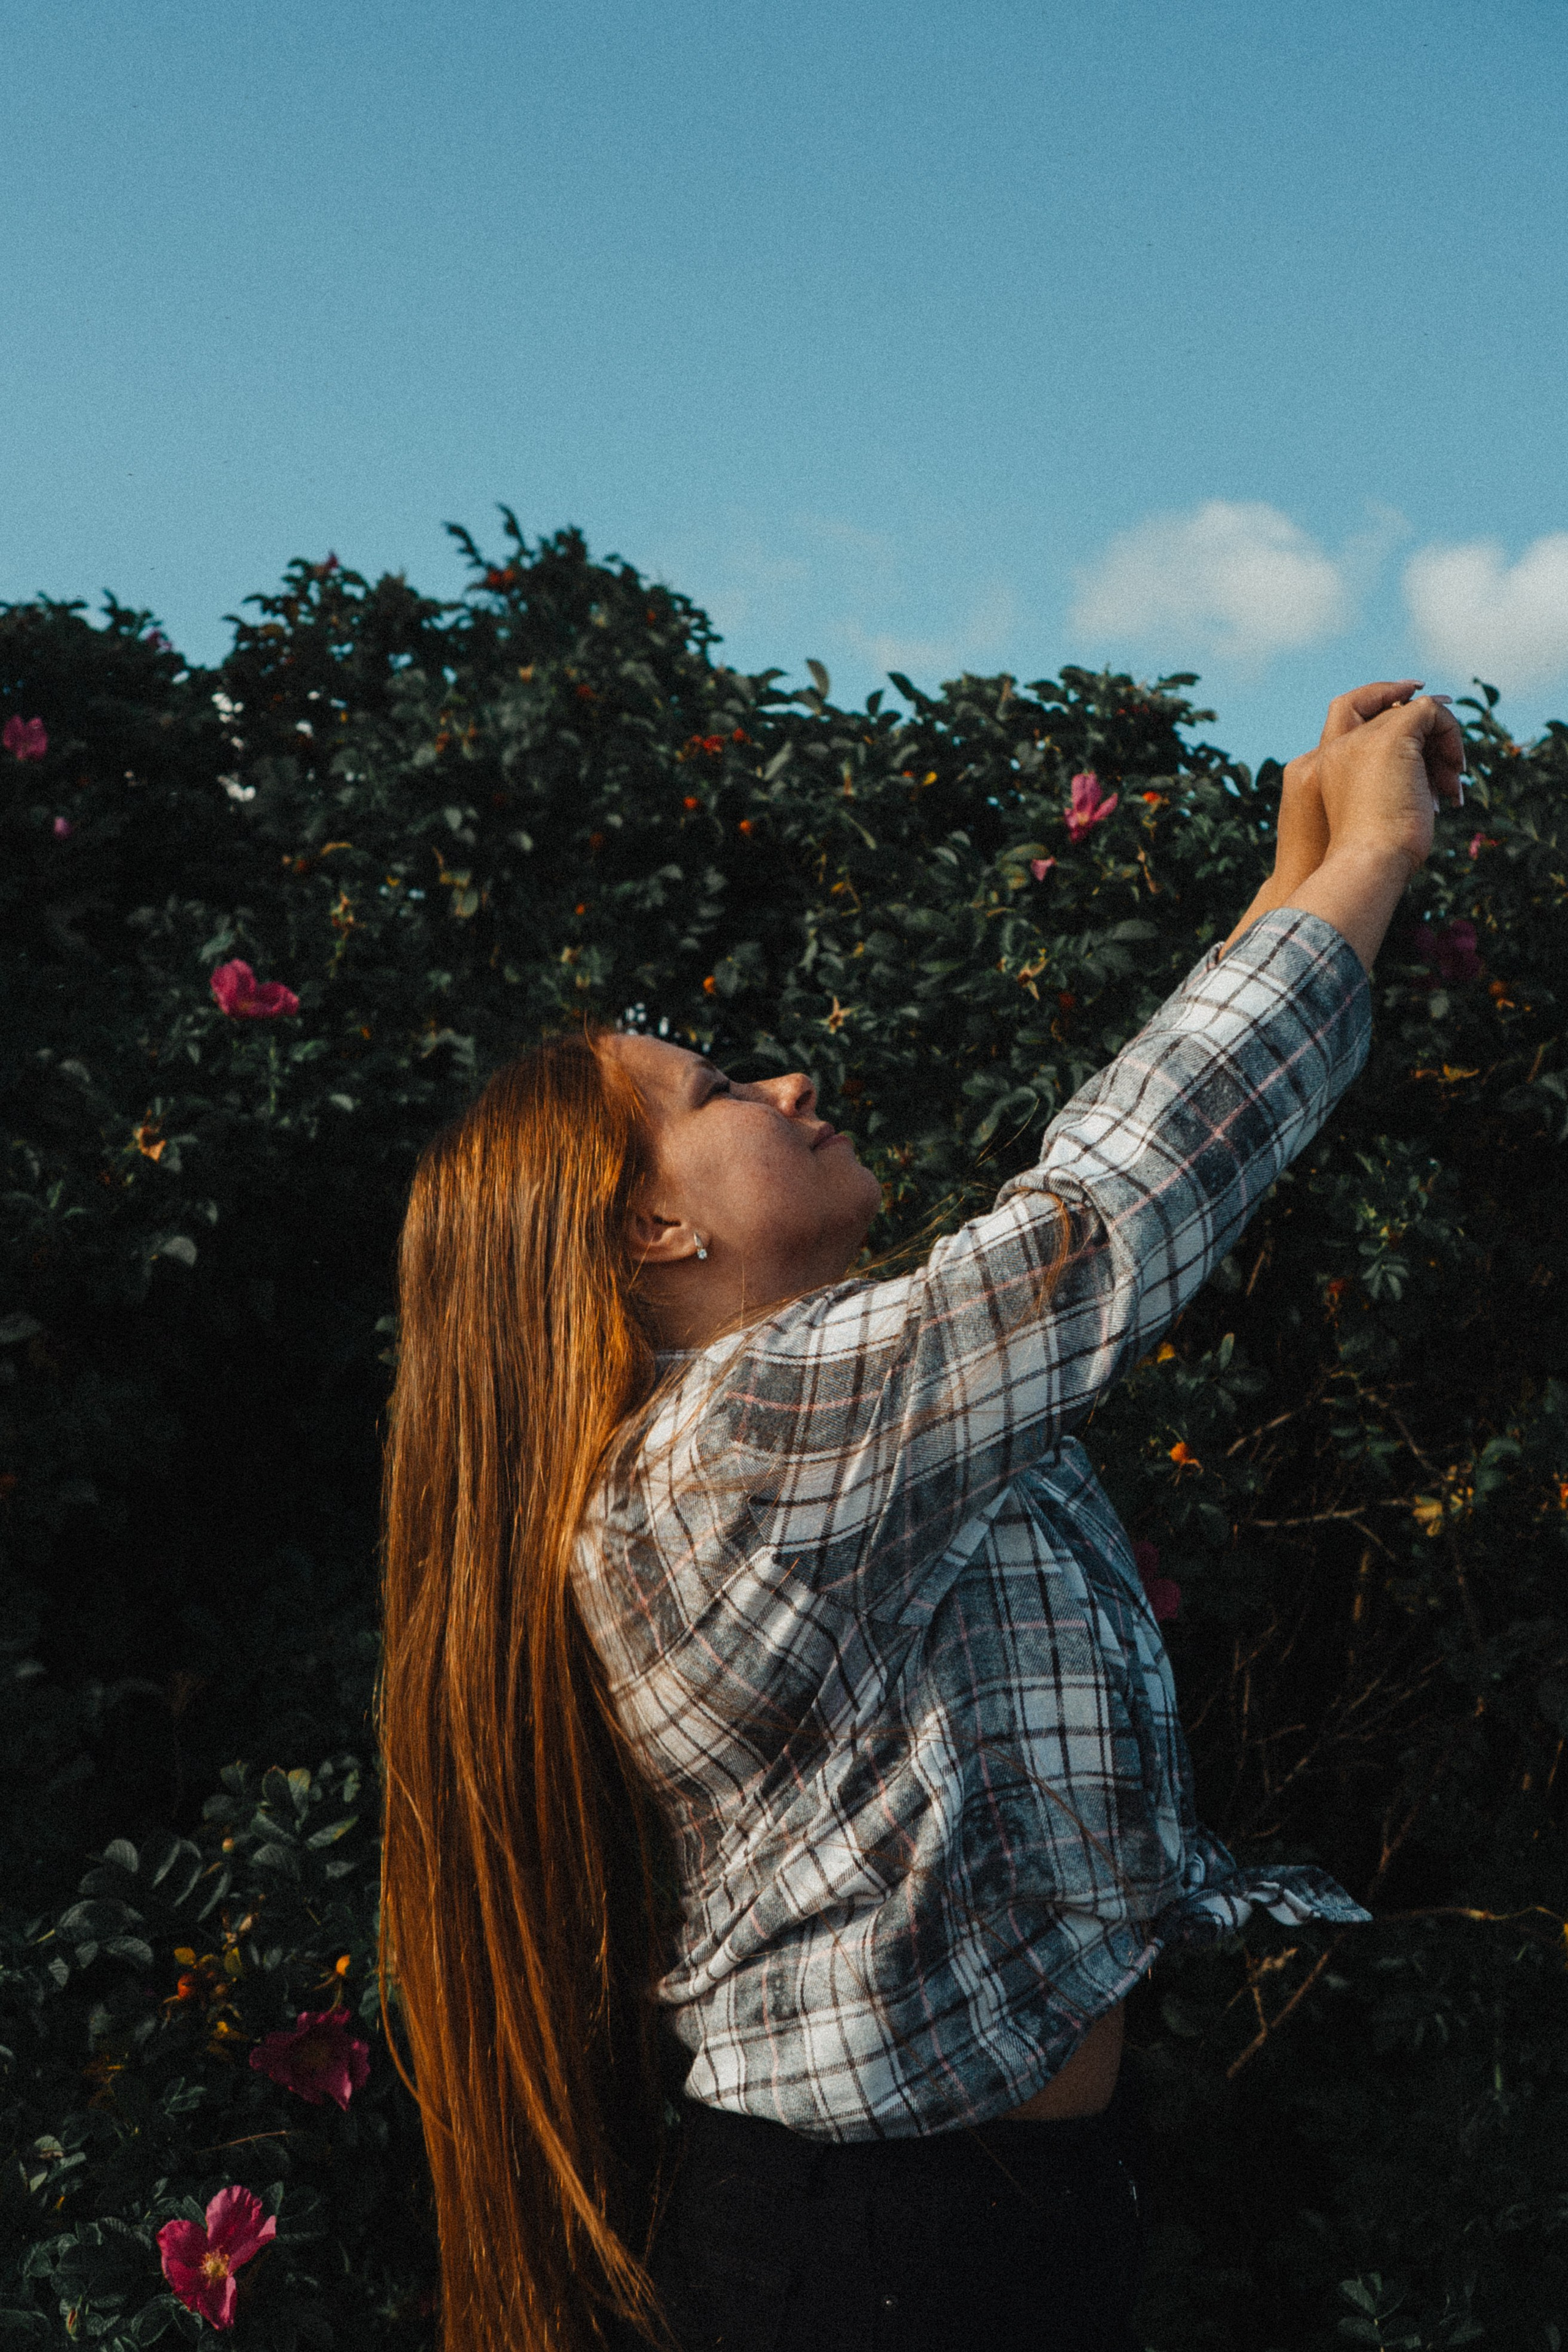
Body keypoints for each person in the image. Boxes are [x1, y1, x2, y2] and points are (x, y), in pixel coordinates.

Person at [378, 682, 1466, 2352]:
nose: (794, 1081)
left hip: (985, 2221)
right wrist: (1377, 857)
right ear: (649, 1232)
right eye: (722, 1087)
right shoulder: (738, 1443)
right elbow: (1109, 1219)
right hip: (880, 2256)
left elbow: (1130, 1179)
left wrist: (1304, 860)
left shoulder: (817, 1427)